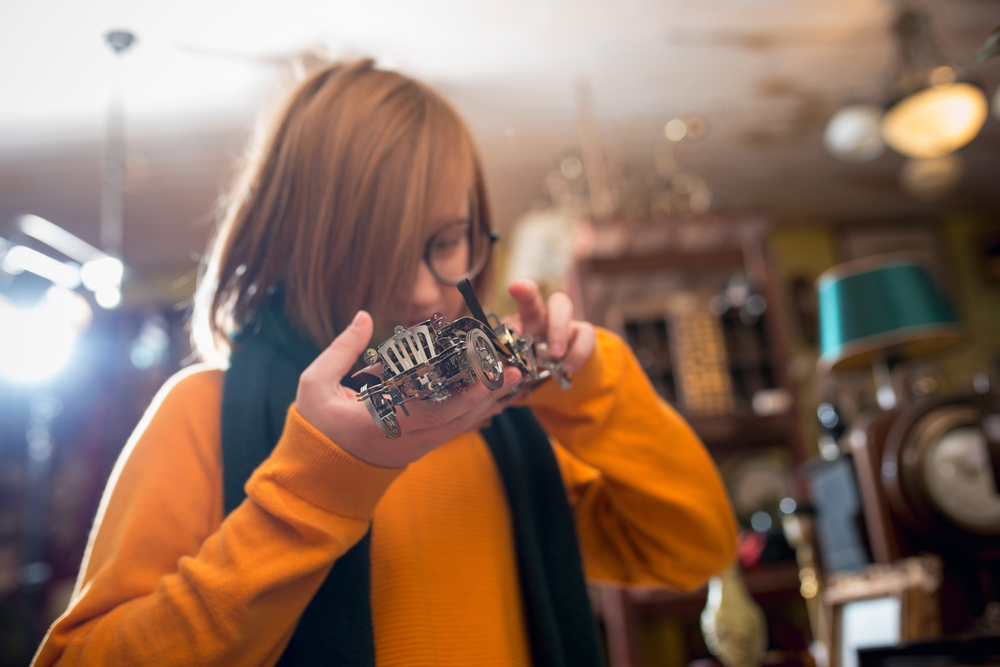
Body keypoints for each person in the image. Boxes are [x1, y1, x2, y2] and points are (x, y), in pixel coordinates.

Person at [32, 59, 736, 667]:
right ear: (292, 242)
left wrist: (596, 390)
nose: (423, 287)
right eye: (377, 249)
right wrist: (316, 490)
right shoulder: (199, 413)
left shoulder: (504, 420)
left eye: (449, 239)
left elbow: (692, 548)